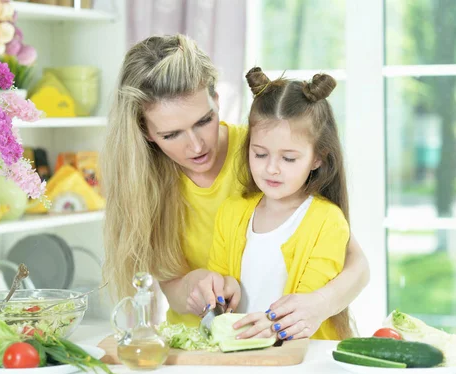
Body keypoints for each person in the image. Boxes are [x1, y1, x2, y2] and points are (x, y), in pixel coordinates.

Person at [101, 34, 369, 336]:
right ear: (146, 132)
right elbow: (172, 286)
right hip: (203, 347)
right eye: (171, 135)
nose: (196, 146)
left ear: (216, 101)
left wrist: (318, 304)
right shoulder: (144, 184)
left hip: (287, 342)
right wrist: (194, 286)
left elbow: (355, 264)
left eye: (204, 121)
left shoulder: (267, 151)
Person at [208, 67, 353, 341]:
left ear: (317, 158)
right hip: (242, 360)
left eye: (288, 159)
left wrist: (269, 326)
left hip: (303, 363)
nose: (271, 169)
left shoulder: (327, 221)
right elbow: (220, 284)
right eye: (260, 154)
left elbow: (305, 303)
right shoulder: (231, 212)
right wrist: (219, 291)